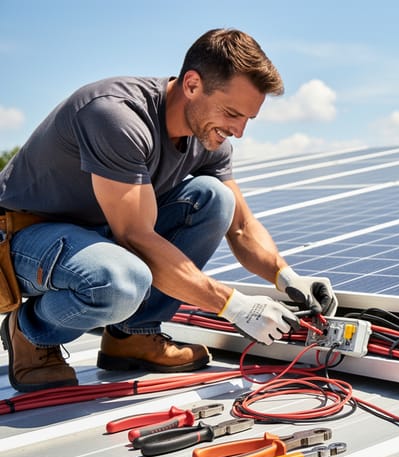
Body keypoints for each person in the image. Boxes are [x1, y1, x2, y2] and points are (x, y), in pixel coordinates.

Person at [0, 28, 337, 393]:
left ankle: (133, 337)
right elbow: (136, 239)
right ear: (192, 84)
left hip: (94, 235)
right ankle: (32, 332)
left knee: (214, 198)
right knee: (121, 280)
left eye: (247, 120)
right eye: (231, 113)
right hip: (22, 236)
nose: (238, 131)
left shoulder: (208, 137)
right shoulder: (116, 116)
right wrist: (234, 306)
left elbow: (240, 226)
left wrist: (286, 277)